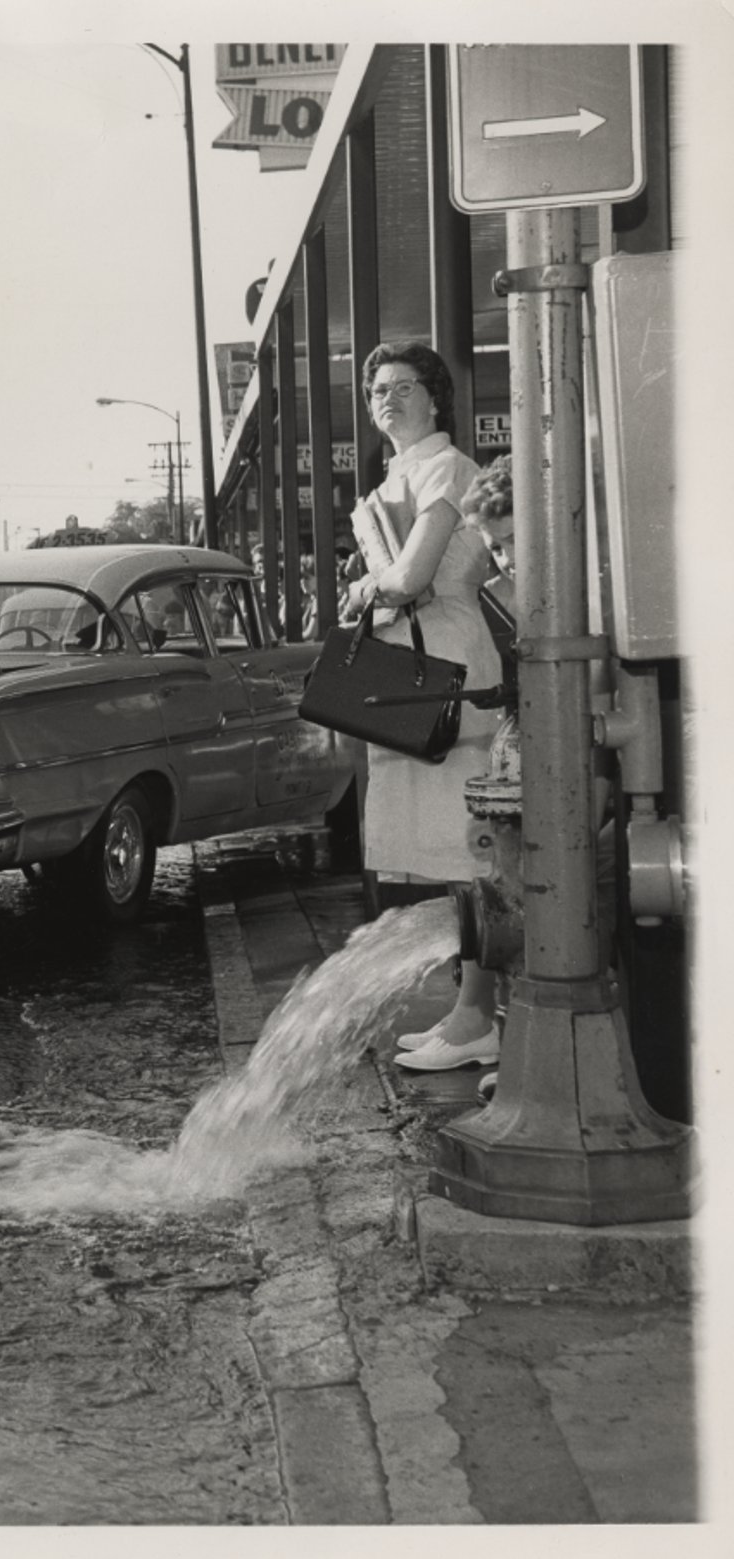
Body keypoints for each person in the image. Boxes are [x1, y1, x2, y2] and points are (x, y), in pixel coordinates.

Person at [346, 343, 505, 1072]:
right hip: (418, 665)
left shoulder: (446, 468)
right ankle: (467, 1011)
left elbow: (409, 577)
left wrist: (362, 587)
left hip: (448, 667)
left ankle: (478, 1015)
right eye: (379, 389)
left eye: (405, 387)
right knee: (450, 856)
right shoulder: (396, 478)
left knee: (470, 853)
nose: (389, 398)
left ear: (436, 399)